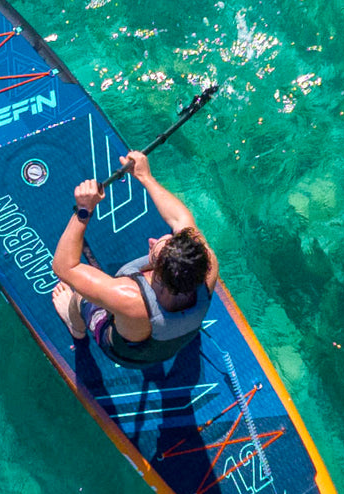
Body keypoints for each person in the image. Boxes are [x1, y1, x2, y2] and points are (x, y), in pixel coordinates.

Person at [51, 150, 219, 366]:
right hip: (171, 343)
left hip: (126, 354)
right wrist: (145, 177)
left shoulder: (129, 298)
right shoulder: (208, 264)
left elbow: (64, 267)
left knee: (80, 298)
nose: (151, 240)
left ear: (156, 274)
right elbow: (180, 219)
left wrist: (84, 209)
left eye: (155, 250)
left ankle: (75, 326)